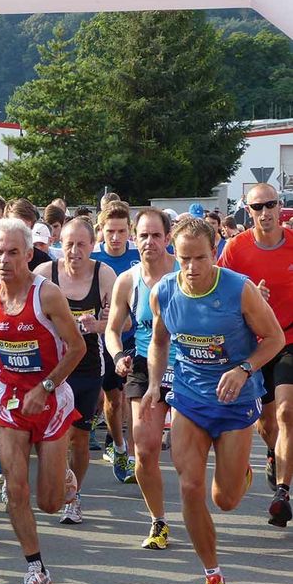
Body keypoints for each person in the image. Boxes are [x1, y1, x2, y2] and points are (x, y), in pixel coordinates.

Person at [144, 217, 283, 584]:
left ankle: (239, 472)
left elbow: (274, 339)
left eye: (200, 258)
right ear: (174, 252)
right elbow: (159, 341)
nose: (192, 268)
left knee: (226, 500)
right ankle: (213, 576)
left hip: (236, 401)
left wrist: (243, 369)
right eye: (184, 258)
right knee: (189, 487)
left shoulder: (239, 290)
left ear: (214, 252)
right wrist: (157, 382)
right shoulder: (165, 291)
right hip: (190, 398)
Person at [0, 218, 85, 584]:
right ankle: (36, 570)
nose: (4, 260)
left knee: (50, 503)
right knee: (15, 488)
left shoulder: (48, 295)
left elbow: (77, 348)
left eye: (13, 252)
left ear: (29, 253)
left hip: (51, 401)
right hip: (10, 402)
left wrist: (47, 385)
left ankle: (65, 478)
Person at [219, 183, 293, 527]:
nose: (265, 213)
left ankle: (282, 492)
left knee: (287, 411)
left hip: (289, 339)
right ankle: (273, 454)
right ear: (247, 212)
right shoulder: (235, 248)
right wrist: (249, 296)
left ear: (280, 207)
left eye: (270, 205)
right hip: (253, 345)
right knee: (266, 424)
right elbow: (215, 290)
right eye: (257, 207)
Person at [35, 218, 116, 525]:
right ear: (60, 244)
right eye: (69, 244)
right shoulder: (46, 274)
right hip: (52, 368)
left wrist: (99, 325)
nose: (74, 251)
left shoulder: (103, 274)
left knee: (79, 438)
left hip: (88, 368)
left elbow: (120, 321)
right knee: (52, 436)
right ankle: (59, 482)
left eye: (82, 244)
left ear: (92, 246)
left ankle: (75, 493)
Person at [106, 209, 179, 548]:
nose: (150, 242)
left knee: (181, 452)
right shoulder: (128, 280)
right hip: (144, 367)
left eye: (156, 235)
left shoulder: (186, 272)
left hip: (189, 367)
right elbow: (111, 330)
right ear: (136, 238)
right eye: (144, 236)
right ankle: (158, 521)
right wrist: (119, 354)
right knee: (146, 450)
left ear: (168, 238)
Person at [91, 200, 140, 482]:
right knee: (112, 400)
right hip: (104, 341)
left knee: (132, 398)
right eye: (111, 231)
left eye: (122, 231)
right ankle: (118, 445)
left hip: (135, 338)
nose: (116, 237)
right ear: (101, 230)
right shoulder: (94, 259)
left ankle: (131, 456)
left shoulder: (138, 256)